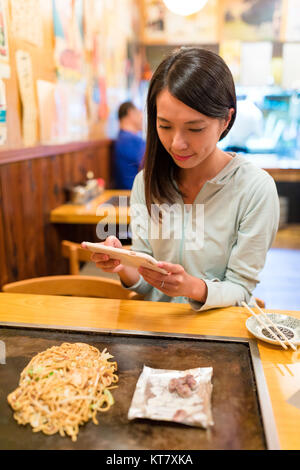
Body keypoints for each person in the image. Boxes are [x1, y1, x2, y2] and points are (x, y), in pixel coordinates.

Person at [89, 47, 280, 312]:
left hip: (219, 336)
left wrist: (192, 287)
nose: (177, 144)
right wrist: (124, 265)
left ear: (226, 120)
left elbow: (241, 288)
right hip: (156, 333)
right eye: (165, 126)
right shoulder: (146, 182)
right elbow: (146, 283)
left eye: (195, 128)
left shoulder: (255, 189)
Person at [114, 101, 146, 189]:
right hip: (132, 194)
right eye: (139, 113)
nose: (142, 117)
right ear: (130, 113)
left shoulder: (123, 137)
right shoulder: (130, 140)